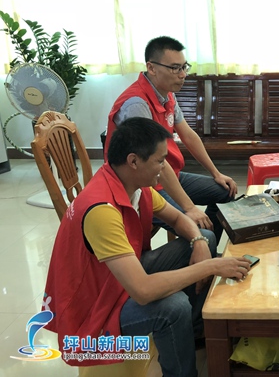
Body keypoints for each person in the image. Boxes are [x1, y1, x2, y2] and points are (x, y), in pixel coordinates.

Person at [43, 117, 251, 376]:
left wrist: (199, 242)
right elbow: (142, 291)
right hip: (93, 309)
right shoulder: (101, 211)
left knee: (205, 238)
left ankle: (194, 331)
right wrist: (210, 266)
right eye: (160, 160)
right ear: (133, 161)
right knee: (173, 307)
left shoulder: (132, 185)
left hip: (115, 279)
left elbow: (178, 219)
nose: (164, 167)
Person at [104, 36, 237, 243]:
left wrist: (216, 173)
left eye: (184, 67)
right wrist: (189, 208)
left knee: (225, 191)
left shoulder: (167, 95)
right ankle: (200, 248)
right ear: (151, 68)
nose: (183, 75)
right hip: (145, 186)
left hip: (167, 175)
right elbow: (153, 160)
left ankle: (202, 253)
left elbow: (188, 135)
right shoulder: (136, 104)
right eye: (175, 68)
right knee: (203, 235)